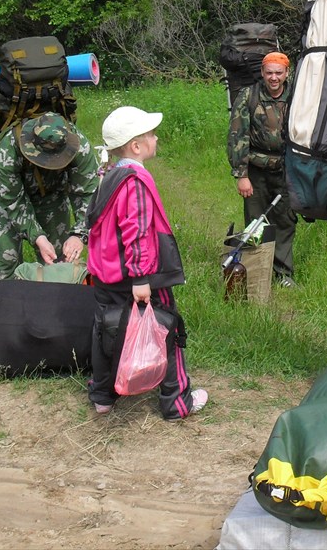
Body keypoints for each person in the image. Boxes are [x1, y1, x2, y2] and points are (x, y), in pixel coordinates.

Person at [85, 106, 208, 420]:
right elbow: (137, 229)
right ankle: (177, 402)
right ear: (136, 146)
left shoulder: (108, 175)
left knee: (106, 331)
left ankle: (102, 395)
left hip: (106, 274)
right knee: (166, 329)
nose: (156, 137)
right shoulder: (135, 180)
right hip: (137, 276)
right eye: (150, 134)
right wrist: (142, 278)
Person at [0, 112, 99, 280]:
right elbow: (12, 199)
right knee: (6, 260)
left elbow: (89, 193)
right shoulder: (7, 147)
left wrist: (79, 234)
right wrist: (37, 236)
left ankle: (54, 303)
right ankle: (2, 303)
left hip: (52, 193)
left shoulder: (80, 146)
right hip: (10, 197)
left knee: (58, 261)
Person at [226, 51, 298, 286]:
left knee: (285, 220)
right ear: (262, 73)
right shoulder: (249, 95)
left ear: (287, 73)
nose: (274, 78)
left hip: (287, 169)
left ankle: (283, 273)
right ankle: (256, 272)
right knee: (256, 222)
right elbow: (237, 135)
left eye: (278, 72)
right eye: (269, 72)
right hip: (256, 170)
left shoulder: (297, 95)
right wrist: (241, 175)